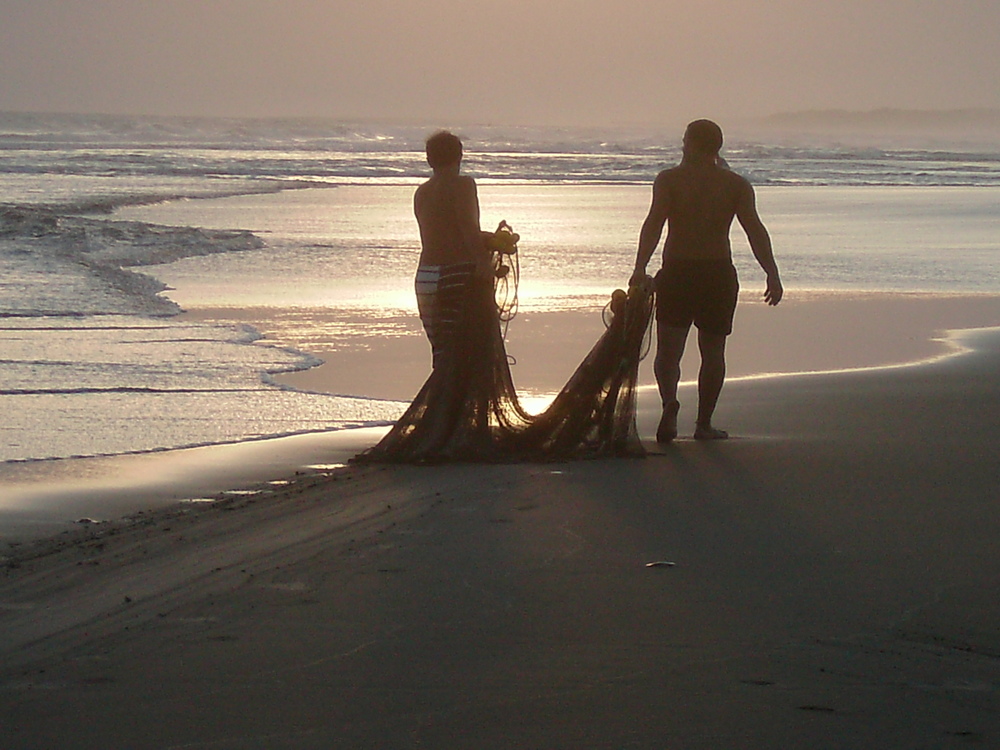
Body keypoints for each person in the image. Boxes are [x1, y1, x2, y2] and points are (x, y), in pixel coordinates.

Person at [630, 119, 783, 442]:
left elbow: (654, 224)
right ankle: (703, 424)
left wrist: (639, 267)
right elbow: (754, 230)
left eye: (685, 140)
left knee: (669, 351)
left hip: (677, 271)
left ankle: (669, 403)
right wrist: (771, 272)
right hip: (717, 273)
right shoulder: (735, 184)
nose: (682, 144)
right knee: (713, 352)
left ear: (692, 144)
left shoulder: (669, 180)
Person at [412, 130, 492, 369]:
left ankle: (440, 404)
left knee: (442, 354)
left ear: (429, 159)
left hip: (425, 276)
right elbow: (467, 226)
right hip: (454, 274)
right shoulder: (463, 185)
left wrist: (484, 238)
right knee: (464, 353)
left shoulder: (422, 191)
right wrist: (483, 260)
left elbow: (439, 231)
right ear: (460, 156)